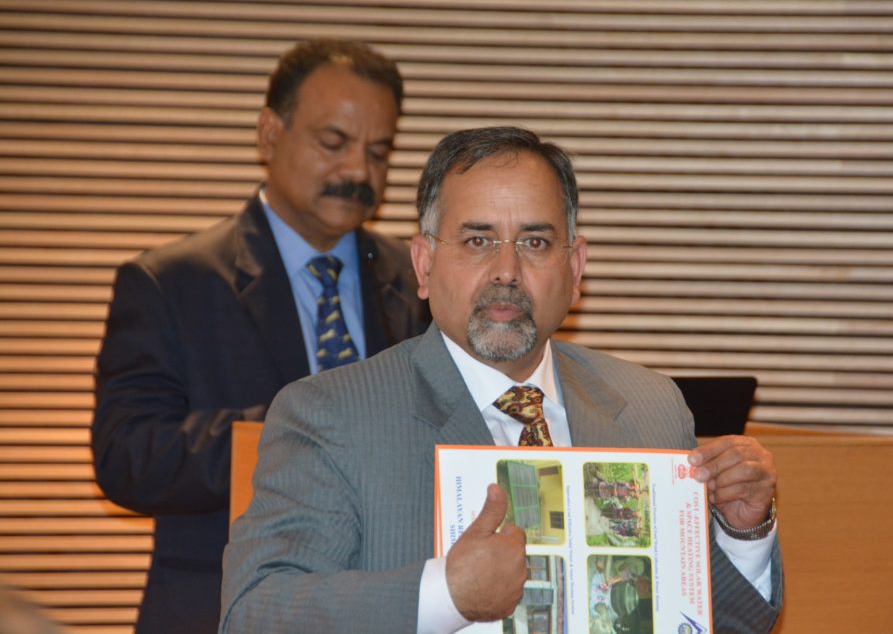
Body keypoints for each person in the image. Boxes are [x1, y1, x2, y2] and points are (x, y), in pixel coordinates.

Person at [220, 126, 782, 633]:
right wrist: (446, 594)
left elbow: (719, 622)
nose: (507, 272)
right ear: (423, 264)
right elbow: (256, 612)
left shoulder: (651, 408)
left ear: (575, 267)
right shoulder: (331, 415)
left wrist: (743, 534)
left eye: (535, 242)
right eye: (477, 241)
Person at [91, 39, 430, 633]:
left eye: (379, 152)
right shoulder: (171, 283)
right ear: (270, 134)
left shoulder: (420, 279)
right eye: (334, 144)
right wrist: (298, 428)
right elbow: (128, 458)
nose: (358, 172)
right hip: (221, 607)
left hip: (390, 608)